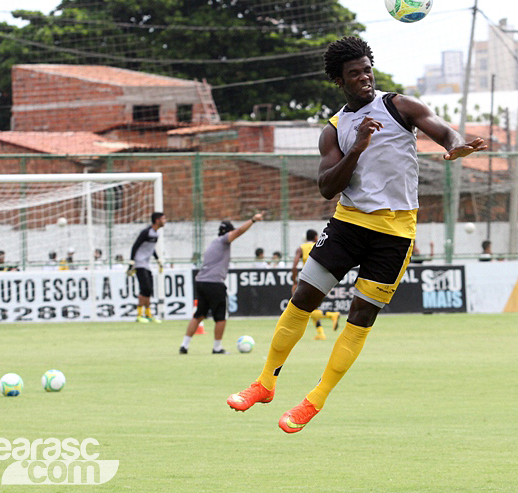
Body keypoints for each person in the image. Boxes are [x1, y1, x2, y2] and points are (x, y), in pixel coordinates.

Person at [226, 36, 486, 433]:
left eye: (367, 69)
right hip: (348, 224)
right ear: (339, 80)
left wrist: (457, 145)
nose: (364, 77)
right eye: (354, 73)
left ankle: (314, 401)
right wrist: (358, 147)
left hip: (395, 234)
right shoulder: (334, 130)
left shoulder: (400, 106)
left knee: (360, 317)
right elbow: (328, 186)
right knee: (302, 299)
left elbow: (444, 131)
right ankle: (265, 383)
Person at [180, 213, 264, 355]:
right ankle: (217, 347)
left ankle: (184, 345)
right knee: (221, 316)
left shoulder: (214, 242)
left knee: (199, 314)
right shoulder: (224, 240)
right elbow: (238, 232)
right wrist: (253, 220)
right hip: (214, 283)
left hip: (201, 281)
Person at [291, 229, 340, 340]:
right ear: (315, 237)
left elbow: (294, 265)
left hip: (308, 281)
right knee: (312, 307)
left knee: (304, 308)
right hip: (322, 279)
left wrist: (294, 281)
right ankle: (320, 333)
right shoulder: (320, 245)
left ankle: (331, 315)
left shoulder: (301, 248)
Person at [128, 212, 166, 323]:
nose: (165, 221)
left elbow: (151, 248)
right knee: (144, 288)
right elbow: (135, 245)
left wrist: (158, 259)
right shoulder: (146, 232)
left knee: (149, 290)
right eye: (163, 219)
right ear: (157, 220)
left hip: (147, 264)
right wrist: (131, 262)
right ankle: (139, 315)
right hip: (139, 263)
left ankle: (148, 314)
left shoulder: (156, 234)